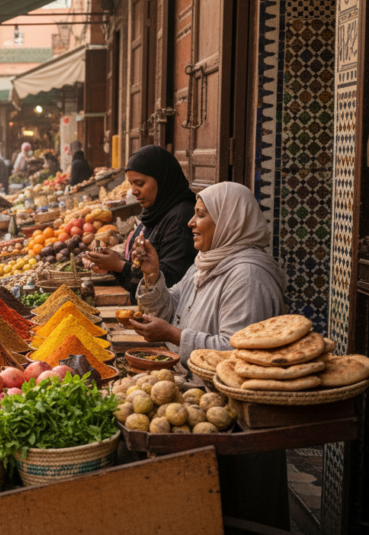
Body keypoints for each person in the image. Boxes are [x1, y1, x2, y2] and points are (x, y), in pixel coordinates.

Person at [130, 181, 288, 529]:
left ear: (230, 220)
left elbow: (238, 353)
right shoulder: (208, 261)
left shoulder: (247, 275)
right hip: (199, 402)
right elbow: (174, 305)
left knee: (235, 508)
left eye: (200, 215)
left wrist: (172, 335)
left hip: (236, 417)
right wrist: (153, 275)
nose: (191, 221)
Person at [86, 145, 198, 296]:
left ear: (162, 179)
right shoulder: (155, 210)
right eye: (131, 184)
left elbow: (171, 280)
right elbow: (141, 273)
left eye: (140, 183)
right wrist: (112, 265)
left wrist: (119, 266)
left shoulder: (181, 218)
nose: (134, 191)